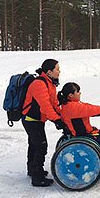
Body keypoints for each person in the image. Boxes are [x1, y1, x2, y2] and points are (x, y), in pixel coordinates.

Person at [57, 82, 100, 173]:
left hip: (82, 132)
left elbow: (88, 106)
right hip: (83, 135)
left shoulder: (69, 104)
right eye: (78, 92)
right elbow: (91, 110)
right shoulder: (73, 107)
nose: (80, 93)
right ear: (70, 95)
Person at [22, 59, 62, 187]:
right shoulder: (39, 84)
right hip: (31, 120)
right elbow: (45, 107)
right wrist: (56, 120)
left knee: (34, 145)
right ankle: (37, 178)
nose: (59, 71)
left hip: (37, 120)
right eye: (57, 69)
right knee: (41, 146)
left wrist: (61, 116)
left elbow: (54, 103)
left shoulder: (50, 83)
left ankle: (32, 170)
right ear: (49, 71)